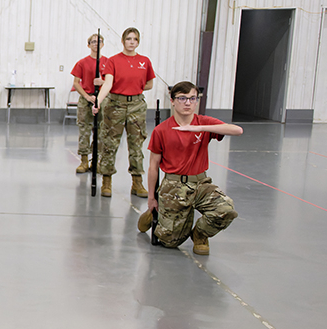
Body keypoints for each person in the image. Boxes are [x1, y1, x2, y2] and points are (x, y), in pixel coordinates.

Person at [138, 82, 242, 255]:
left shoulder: (203, 123)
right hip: (173, 186)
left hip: (201, 183)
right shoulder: (161, 130)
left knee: (226, 209)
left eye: (192, 98)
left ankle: (200, 235)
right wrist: (151, 198)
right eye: (182, 98)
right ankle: (154, 213)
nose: (187, 103)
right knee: (170, 241)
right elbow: (153, 166)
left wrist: (199, 128)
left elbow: (237, 130)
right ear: (172, 101)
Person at [95, 27, 154, 197]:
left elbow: (149, 84)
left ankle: (137, 183)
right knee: (110, 143)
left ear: (138, 42)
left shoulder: (144, 61)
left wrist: (133, 87)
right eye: (128, 39)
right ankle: (107, 182)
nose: (132, 42)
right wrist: (98, 101)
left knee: (136, 145)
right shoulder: (113, 61)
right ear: (122, 41)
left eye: (135, 39)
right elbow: (108, 83)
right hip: (116, 105)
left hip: (137, 105)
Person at [70, 32, 111, 174]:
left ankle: (96, 161)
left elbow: (113, 82)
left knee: (100, 131)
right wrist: (87, 97)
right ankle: (84, 161)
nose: (96, 44)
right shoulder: (82, 63)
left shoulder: (108, 62)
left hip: (102, 99)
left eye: (99, 41)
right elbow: (76, 83)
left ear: (103, 44)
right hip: (86, 99)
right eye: (93, 41)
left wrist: (103, 83)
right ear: (88, 45)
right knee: (84, 130)